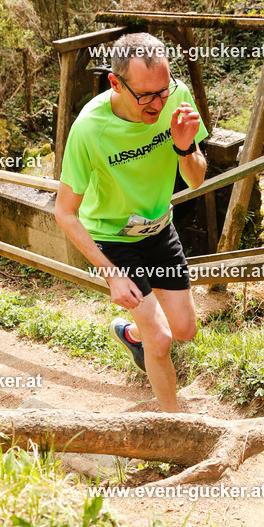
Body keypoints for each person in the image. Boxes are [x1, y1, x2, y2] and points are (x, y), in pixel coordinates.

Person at [55, 32, 207, 411]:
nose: (158, 104)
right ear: (115, 83)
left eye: (163, 91)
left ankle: (130, 333)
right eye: (145, 96)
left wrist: (184, 147)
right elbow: (65, 213)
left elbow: (197, 178)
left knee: (185, 330)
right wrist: (111, 274)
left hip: (159, 228)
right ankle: (176, 426)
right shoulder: (89, 128)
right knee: (162, 339)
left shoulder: (177, 96)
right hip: (113, 238)